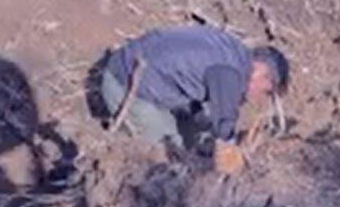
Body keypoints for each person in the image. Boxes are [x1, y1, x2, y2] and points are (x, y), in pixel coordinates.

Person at [100, 26, 289, 174]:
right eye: (265, 91)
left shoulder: (232, 50)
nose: (256, 97)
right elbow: (225, 128)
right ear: (261, 73)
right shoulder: (232, 74)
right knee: (171, 154)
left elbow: (197, 74)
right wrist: (232, 162)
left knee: (193, 129)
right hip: (125, 86)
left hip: (130, 62)